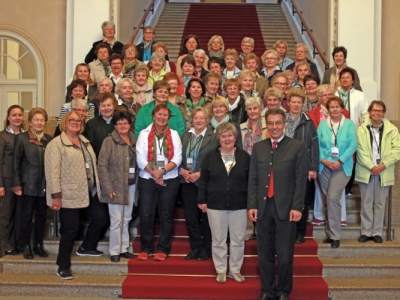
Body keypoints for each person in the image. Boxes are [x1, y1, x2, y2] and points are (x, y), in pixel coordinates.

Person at [248, 108, 307, 300]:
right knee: (264, 254)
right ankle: (267, 290)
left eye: (278, 123)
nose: (274, 127)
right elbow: (253, 179)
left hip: (287, 208)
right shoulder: (259, 147)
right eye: (271, 123)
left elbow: (300, 180)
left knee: (284, 254)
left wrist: (298, 207)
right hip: (263, 208)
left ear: (284, 124)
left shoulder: (296, 146)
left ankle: (283, 291)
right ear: (267, 125)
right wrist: (252, 205)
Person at [45, 111, 107, 279]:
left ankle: (86, 247)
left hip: (89, 191)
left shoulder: (85, 142)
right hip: (67, 194)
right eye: (71, 120)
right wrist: (56, 196)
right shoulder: (56, 144)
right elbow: (52, 172)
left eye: (78, 121)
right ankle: (62, 265)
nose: (75, 123)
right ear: (65, 123)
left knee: (100, 218)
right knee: (70, 230)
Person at [198, 122, 250, 283]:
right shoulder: (210, 157)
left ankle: (235, 270)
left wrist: (252, 203)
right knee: (218, 239)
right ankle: (221, 269)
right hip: (215, 205)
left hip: (240, 205)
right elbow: (204, 180)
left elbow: (251, 182)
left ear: (235, 137)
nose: (227, 139)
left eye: (230, 135)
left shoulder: (245, 157)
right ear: (218, 139)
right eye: (223, 136)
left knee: (238, 240)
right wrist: (201, 199)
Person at [136, 104, 182, 261]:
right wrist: (154, 173)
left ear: (168, 118)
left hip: (169, 178)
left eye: (165, 115)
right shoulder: (144, 134)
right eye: (159, 114)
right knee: (146, 214)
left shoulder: (174, 134)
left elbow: (178, 157)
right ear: (153, 116)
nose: (162, 117)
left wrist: (162, 172)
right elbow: (140, 158)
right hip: (147, 178)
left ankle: (163, 249)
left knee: (166, 215)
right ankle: (146, 248)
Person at [356, 101, 400, 243]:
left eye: (380, 110)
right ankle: (366, 231)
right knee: (366, 203)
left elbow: (397, 150)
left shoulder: (392, 130)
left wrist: (383, 165)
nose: (377, 113)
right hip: (366, 170)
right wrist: (371, 166)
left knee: (380, 203)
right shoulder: (362, 129)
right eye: (374, 110)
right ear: (369, 112)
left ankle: (377, 232)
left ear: (383, 113)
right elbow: (360, 150)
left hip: (384, 171)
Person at [11, 108, 53, 260]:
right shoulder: (21, 138)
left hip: (44, 185)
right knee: (26, 217)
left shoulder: (49, 139)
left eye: (42, 120)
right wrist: (16, 185)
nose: (39, 122)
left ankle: (38, 244)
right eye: (36, 119)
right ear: (30, 122)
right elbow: (15, 162)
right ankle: (26, 245)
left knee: (41, 217)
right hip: (27, 184)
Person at [318, 97, 357, 248]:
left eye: (337, 106)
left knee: (333, 197)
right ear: (328, 109)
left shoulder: (349, 124)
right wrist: (323, 160)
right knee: (328, 199)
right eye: (331, 107)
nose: (334, 109)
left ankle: (335, 235)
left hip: (342, 167)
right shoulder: (322, 125)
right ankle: (330, 231)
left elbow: (353, 145)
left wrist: (340, 161)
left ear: (342, 109)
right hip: (324, 167)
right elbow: (316, 144)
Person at [98, 111, 137, 262]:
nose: (122, 126)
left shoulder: (134, 140)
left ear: (129, 124)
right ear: (115, 125)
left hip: (131, 185)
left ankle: (124, 248)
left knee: (127, 218)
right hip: (114, 186)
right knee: (116, 220)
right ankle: (114, 250)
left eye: (125, 123)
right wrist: (108, 188)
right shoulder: (109, 141)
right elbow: (101, 166)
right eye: (119, 123)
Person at [180, 107, 218, 261]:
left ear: (207, 120)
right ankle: (196, 247)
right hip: (186, 181)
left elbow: (216, 160)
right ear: (192, 120)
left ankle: (207, 249)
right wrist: (182, 170)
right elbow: (178, 156)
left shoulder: (213, 137)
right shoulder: (185, 136)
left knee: (206, 218)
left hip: (205, 183)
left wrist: (200, 173)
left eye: (202, 118)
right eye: (196, 118)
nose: (199, 121)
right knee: (191, 218)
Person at [309, 85, 349, 227]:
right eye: (324, 95)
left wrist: (340, 159)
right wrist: (322, 158)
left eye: (329, 94)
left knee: (337, 190)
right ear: (319, 98)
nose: (327, 96)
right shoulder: (312, 114)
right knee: (321, 189)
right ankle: (320, 215)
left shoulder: (344, 113)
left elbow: (350, 139)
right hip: (322, 158)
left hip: (340, 159)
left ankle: (341, 217)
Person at [284, 89, 319, 244]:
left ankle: (300, 232)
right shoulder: (282, 119)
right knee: (285, 199)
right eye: (294, 102)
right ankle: (287, 230)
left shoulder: (308, 121)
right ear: (288, 103)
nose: (296, 105)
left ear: (302, 104)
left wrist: (312, 168)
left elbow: (314, 146)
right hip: (283, 167)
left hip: (301, 167)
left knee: (301, 201)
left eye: (299, 102)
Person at [335, 67, 369, 195]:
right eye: (342, 77)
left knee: (351, 158)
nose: (345, 79)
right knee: (338, 156)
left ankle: (348, 186)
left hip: (353, 130)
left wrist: (362, 128)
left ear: (353, 80)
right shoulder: (335, 94)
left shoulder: (359, 95)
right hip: (337, 132)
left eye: (348, 77)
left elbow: (365, 113)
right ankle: (339, 184)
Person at [240, 97, 268, 241]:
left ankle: (261, 228)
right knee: (248, 198)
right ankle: (249, 228)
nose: (252, 111)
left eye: (255, 108)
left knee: (261, 198)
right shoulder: (241, 128)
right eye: (249, 108)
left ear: (261, 109)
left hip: (263, 167)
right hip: (245, 168)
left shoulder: (267, 127)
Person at [0, 105, 25, 256]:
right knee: (7, 214)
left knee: (20, 214)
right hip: (7, 180)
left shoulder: (27, 135)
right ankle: (6, 245)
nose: (17, 118)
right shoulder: (2, 136)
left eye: (20, 115)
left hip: (22, 180)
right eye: (14, 115)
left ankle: (18, 243)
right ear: (8, 117)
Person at [84, 92, 118, 157]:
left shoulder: (119, 122)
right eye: (103, 106)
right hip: (98, 160)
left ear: (114, 106)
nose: (106, 108)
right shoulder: (91, 124)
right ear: (99, 107)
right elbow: (90, 146)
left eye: (109, 105)